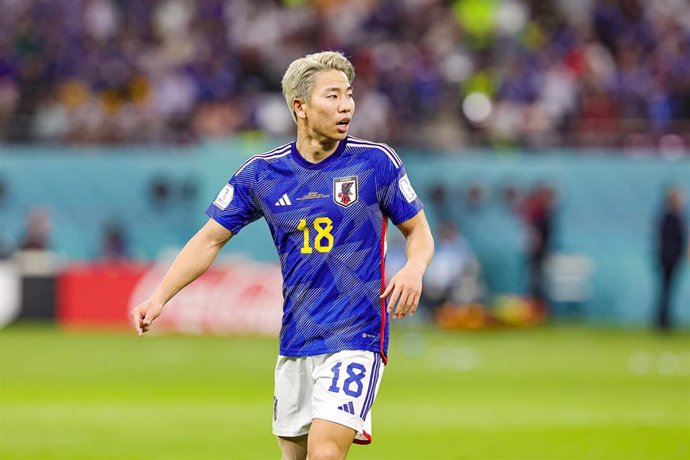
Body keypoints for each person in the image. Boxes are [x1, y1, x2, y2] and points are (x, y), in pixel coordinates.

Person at [131, 51, 434, 460]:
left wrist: (414, 268)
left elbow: (418, 231)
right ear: (300, 106)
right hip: (297, 338)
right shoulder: (261, 174)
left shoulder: (375, 162)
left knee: (325, 453)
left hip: (355, 335)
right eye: (332, 96)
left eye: (349, 95)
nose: (346, 105)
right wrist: (159, 297)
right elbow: (209, 240)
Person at [655, 185, 687, 331]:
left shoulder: (676, 217)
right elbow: (668, 242)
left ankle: (665, 319)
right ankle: (663, 321)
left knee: (668, 290)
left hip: (672, 259)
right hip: (668, 260)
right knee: (666, 290)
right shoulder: (669, 218)